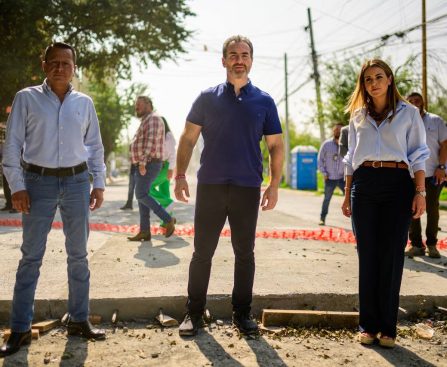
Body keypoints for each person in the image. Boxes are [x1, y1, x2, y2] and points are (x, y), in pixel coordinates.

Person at [0, 42, 107, 357]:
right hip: (37, 183)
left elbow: (95, 146)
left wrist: (98, 183)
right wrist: (17, 186)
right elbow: (12, 146)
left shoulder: (84, 103)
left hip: (76, 182)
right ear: (44, 64)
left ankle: (79, 320)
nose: (61, 68)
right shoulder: (26, 98)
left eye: (67, 63)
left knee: (78, 255)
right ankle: (20, 330)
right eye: (55, 62)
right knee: (31, 257)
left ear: (75, 67)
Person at [175, 35, 284, 336]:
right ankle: (194, 313)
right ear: (223, 60)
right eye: (233, 54)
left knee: (244, 253)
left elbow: (275, 145)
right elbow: (187, 137)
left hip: (247, 188)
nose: (239, 59)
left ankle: (242, 314)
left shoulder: (264, 101)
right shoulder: (206, 97)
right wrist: (181, 175)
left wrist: (274, 185)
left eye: (244, 54)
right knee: (202, 252)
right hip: (210, 185)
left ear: (251, 60)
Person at [342, 59, 429, 349]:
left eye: (379, 77)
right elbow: (351, 158)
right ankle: (368, 326)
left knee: (392, 255)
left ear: (390, 79)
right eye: (367, 79)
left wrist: (420, 192)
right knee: (367, 255)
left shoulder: (409, 113)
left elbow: (419, 154)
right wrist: (346, 193)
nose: (373, 83)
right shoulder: (357, 116)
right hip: (364, 184)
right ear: (363, 84)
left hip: (398, 184)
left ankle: (388, 328)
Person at [127, 96, 176, 242]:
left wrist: (142, 163)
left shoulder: (153, 119)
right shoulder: (146, 120)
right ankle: (144, 231)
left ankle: (167, 219)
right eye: (135, 106)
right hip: (144, 164)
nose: (136, 108)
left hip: (148, 163)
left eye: (139, 105)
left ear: (148, 104)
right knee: (143, 197)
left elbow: (150, 144)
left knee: (141, 194)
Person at [405, 92, 447, 259]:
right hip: (410, 175)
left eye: (417, 100)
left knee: (432, 209)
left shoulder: (435, 121)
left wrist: (442, 166)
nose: (415, 103)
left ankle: (432, 245)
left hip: (432, 174)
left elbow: (445, 144)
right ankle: (416, 245)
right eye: (411, 101)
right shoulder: (404, 122)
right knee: (412, 209)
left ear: (423, 102)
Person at [149, 117, 176, 225]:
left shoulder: (168, 136)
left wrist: (170, 170)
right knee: (165, 191)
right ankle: (166, 222)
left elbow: (173, 155)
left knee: (147, 187)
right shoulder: (158, 136)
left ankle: (168, 203)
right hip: (161, 165)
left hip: (166, 166)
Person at [318, 123, 345, 225]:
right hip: (330, 177)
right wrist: (324, 173)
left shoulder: (347, 144)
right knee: (327, 199)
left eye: (340, 130)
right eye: (336, 129)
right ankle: (322, 218)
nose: (338, 131)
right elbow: (320, 160)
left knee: (351, 199)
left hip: (343, 178)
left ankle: (355, 221)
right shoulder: (326, 144)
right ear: (333, 131)